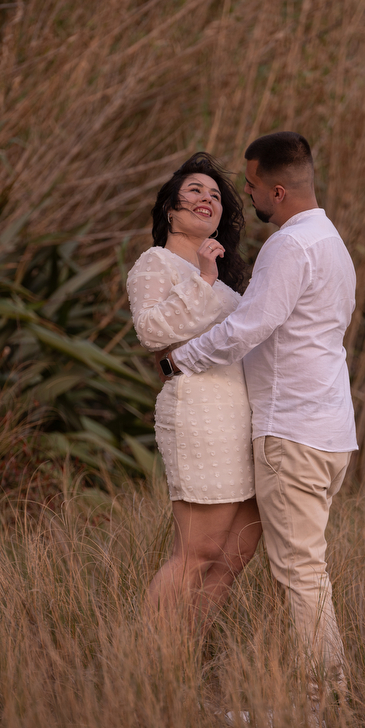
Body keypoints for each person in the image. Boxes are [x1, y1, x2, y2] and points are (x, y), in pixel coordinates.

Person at [161, 132, 358, 697]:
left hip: (292, 431)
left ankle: (325, 699)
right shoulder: (332, 243)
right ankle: (313, 693)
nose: (244, 194)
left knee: (300, 572)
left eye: (249, 185)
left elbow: (251, 325)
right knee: (302, 568)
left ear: (277, 190)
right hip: (329, 431)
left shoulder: (288, 246)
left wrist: (180, 360)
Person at [126, 152, 262, 621]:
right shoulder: (156, 263)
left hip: (242, 416)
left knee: (234, 555)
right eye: (195, 190)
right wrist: (203, 277)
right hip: (200, 414)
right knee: (197, 552)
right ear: (170, 209)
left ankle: (183, 653)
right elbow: (151, 332)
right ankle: (142, 656)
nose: (208, 198)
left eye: (216, 195)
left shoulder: (224, 282)